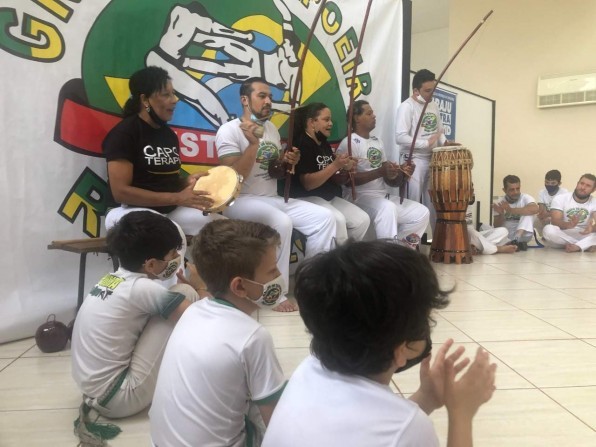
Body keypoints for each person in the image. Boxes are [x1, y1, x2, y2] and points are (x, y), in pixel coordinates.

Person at [262, 241, 497, 447]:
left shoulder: (309, 369)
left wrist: (426, 398)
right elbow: (394, 432)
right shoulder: (411, 428)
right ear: (401, 349)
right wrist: (462, 414)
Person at [150, 219, 287, 446]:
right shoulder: (253, 337)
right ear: (240, 287)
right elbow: (278, 422)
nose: (279, 276)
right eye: (272, 271)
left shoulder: (193, 312)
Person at [71, 211, 200, 444]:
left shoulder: (111, 279)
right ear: (150, 264)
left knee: (172, 304)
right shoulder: (143, 289)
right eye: (173, 254)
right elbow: (200, 321)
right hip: (119, 397)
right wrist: (202, 288)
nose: (177, 259)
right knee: (185, 294)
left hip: (94, 392)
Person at [215, 77, 336, 311]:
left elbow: (274, 172)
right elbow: (232, 177)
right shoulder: (228, 130)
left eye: (270, 96)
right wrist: (252, 145)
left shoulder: (270, 129)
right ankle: (275, 293)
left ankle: (312, 284)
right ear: (244, 100)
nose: (269, 101)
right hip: (240, 200)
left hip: (271, 198)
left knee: (324, 218)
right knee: (281, 221)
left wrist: (285, 162)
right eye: (262, 96)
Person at [102, 66, 223, 271]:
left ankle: (213, 287)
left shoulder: (167, 135)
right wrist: (177, 198)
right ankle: (175, 296)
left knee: (220, 228)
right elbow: (120, 192)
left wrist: (187, 182)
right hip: (128, 213)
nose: (174, 100)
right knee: (171, 234)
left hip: (166, 209)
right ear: (145, 100)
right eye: (166, 94)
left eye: (173, 93)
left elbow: (162, 183)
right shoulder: (124, 133)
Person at [336, 100, 429, 248]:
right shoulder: (349, 142)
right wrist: (380, 171)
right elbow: (347, 181)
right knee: (387, 208)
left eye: (373, 112)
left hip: (381, 196)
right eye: (369, 113)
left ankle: (400, 252)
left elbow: (390, 180)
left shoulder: (377, 141)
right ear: (356, 118)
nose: (374, 116)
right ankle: (386, 258)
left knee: (421, 213)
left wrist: (401, 173)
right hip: (358, 196)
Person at [288, 102, 370, 244]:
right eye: (326, 120)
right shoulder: (301, 144)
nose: (331, 123)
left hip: (328, 196)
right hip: (306, 197)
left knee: (362, 220)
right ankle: (337, 261)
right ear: (311, 122)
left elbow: (332, 172)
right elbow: (308, 184)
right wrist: (335, 165)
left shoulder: (323, 143)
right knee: (337, 219)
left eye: (330, 120)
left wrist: (345, 166)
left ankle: (347, 257)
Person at [396, 69, 458, 231]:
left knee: (434, 202)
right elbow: (400, 137)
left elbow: (439, 131)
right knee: (414, 203)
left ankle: (437, 242)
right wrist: (426, 143)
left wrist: (445, 143)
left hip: (433, 160)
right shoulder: (406, 107)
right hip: (414, 160)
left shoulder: (434, 105)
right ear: (416, 90)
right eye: (427, 91)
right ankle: (409, 246)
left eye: (433, 90)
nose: (431, 94)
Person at [543, 174, 596, 252]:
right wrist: (569, 224)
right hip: (562, 234)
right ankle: (581, 245)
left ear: (593, 190)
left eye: (588, 186)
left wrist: (592, 228)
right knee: (548, 229)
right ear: (577, 183)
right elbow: (555, 221)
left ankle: (577, 246)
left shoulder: (594, 202)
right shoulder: (560, 198)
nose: (583, 187)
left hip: (583, 233)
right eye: (581, 183)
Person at [492, 175, 538, 251]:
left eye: (518, 189)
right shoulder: (499, 202)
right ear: (504, 190)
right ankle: (515, 243)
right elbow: (496, 226)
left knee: (528, 213)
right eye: (512, 190)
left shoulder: (525, 197)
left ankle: (516, 240)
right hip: (507, 236)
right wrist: (501, 214)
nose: (516, 192)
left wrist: (510, 210)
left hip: (524, 234)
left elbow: (535, 209)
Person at [535, 169, 568, 237]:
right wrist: (544, 216)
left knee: (552, 219)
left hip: (559, 218)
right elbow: (541, 211)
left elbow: (562, 212)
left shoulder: (564, 193)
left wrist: (548, 215)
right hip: (547, 217)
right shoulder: (542, 192)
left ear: (559, 183)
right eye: (547, 182)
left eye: (553, 183)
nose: (549, 185)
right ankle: (542, 237)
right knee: (534, 219)